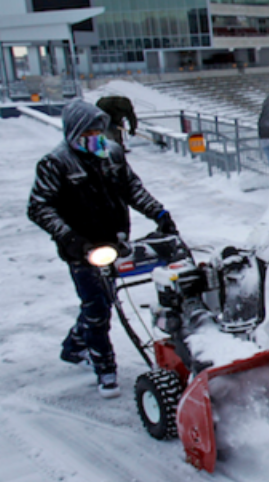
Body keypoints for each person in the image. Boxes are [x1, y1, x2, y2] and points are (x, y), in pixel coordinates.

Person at [27, 100, 177, 398]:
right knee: (98, 308)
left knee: (102, 301)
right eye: (90, 131)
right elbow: (39, 207)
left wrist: (160, 214)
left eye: (100, 129)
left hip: (116, 240)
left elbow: (133, 189)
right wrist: (70, 238)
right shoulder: (55, 164)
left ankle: (74, 345)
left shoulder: (112, 153)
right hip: (83, 249)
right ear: (74, 132)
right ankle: (105, 370)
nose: (97, 135)